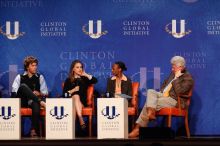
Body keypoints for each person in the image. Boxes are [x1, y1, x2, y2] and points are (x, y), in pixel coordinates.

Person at [129, 56, 194, 138]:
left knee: (150, 103)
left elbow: (179, 92)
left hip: (175, 100)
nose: (172, 69)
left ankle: (139, 127)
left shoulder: (188, 78)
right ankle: (150, 112)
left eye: (173, 67)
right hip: (163, 95)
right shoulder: (172, 74)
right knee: (150, 91)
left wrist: (177, 78)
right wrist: (162, 92)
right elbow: (164, 84)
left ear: (180, 67)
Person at [11, 56, 48, 137]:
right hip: (21, 101)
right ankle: (41, 102)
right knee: (23, 86)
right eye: (33, 65)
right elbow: (14, 93)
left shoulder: (39, 77)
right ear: (27, 67)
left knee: (35, 103)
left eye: (36, 65)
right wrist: (27, 93)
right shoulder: (19, 77)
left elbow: (45, 93)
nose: (35, 67)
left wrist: (39, 93)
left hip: (33, 101)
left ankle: (33, 130)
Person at [62, 60, 97, 129]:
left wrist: (86, 75)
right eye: (77, 67)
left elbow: (95, 80)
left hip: (82, 102)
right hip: (70, 102)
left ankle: (71, 129)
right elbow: (64, 95)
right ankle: (80, 118)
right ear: (73, 69)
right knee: (75, 96)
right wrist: (73, 90)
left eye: (81, 67)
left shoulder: (84, 79)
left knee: (76, 96)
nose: (80, 69)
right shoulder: (68, 80)